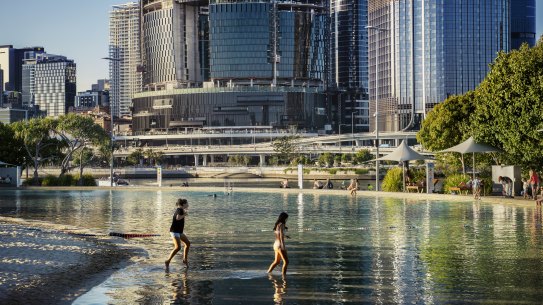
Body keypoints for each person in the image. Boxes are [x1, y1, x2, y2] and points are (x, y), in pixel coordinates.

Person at [165, 198, 191, 268]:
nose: (188, 205)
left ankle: (185, 259)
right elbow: (178, 218)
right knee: (178, 247)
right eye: (187, 203)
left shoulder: (180, 209)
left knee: (188, 243)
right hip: (175, 231)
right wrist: (184, 214)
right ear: (183, 204)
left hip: (179, 232)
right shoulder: (180, 210)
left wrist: (184, 213)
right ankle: (168, 261)